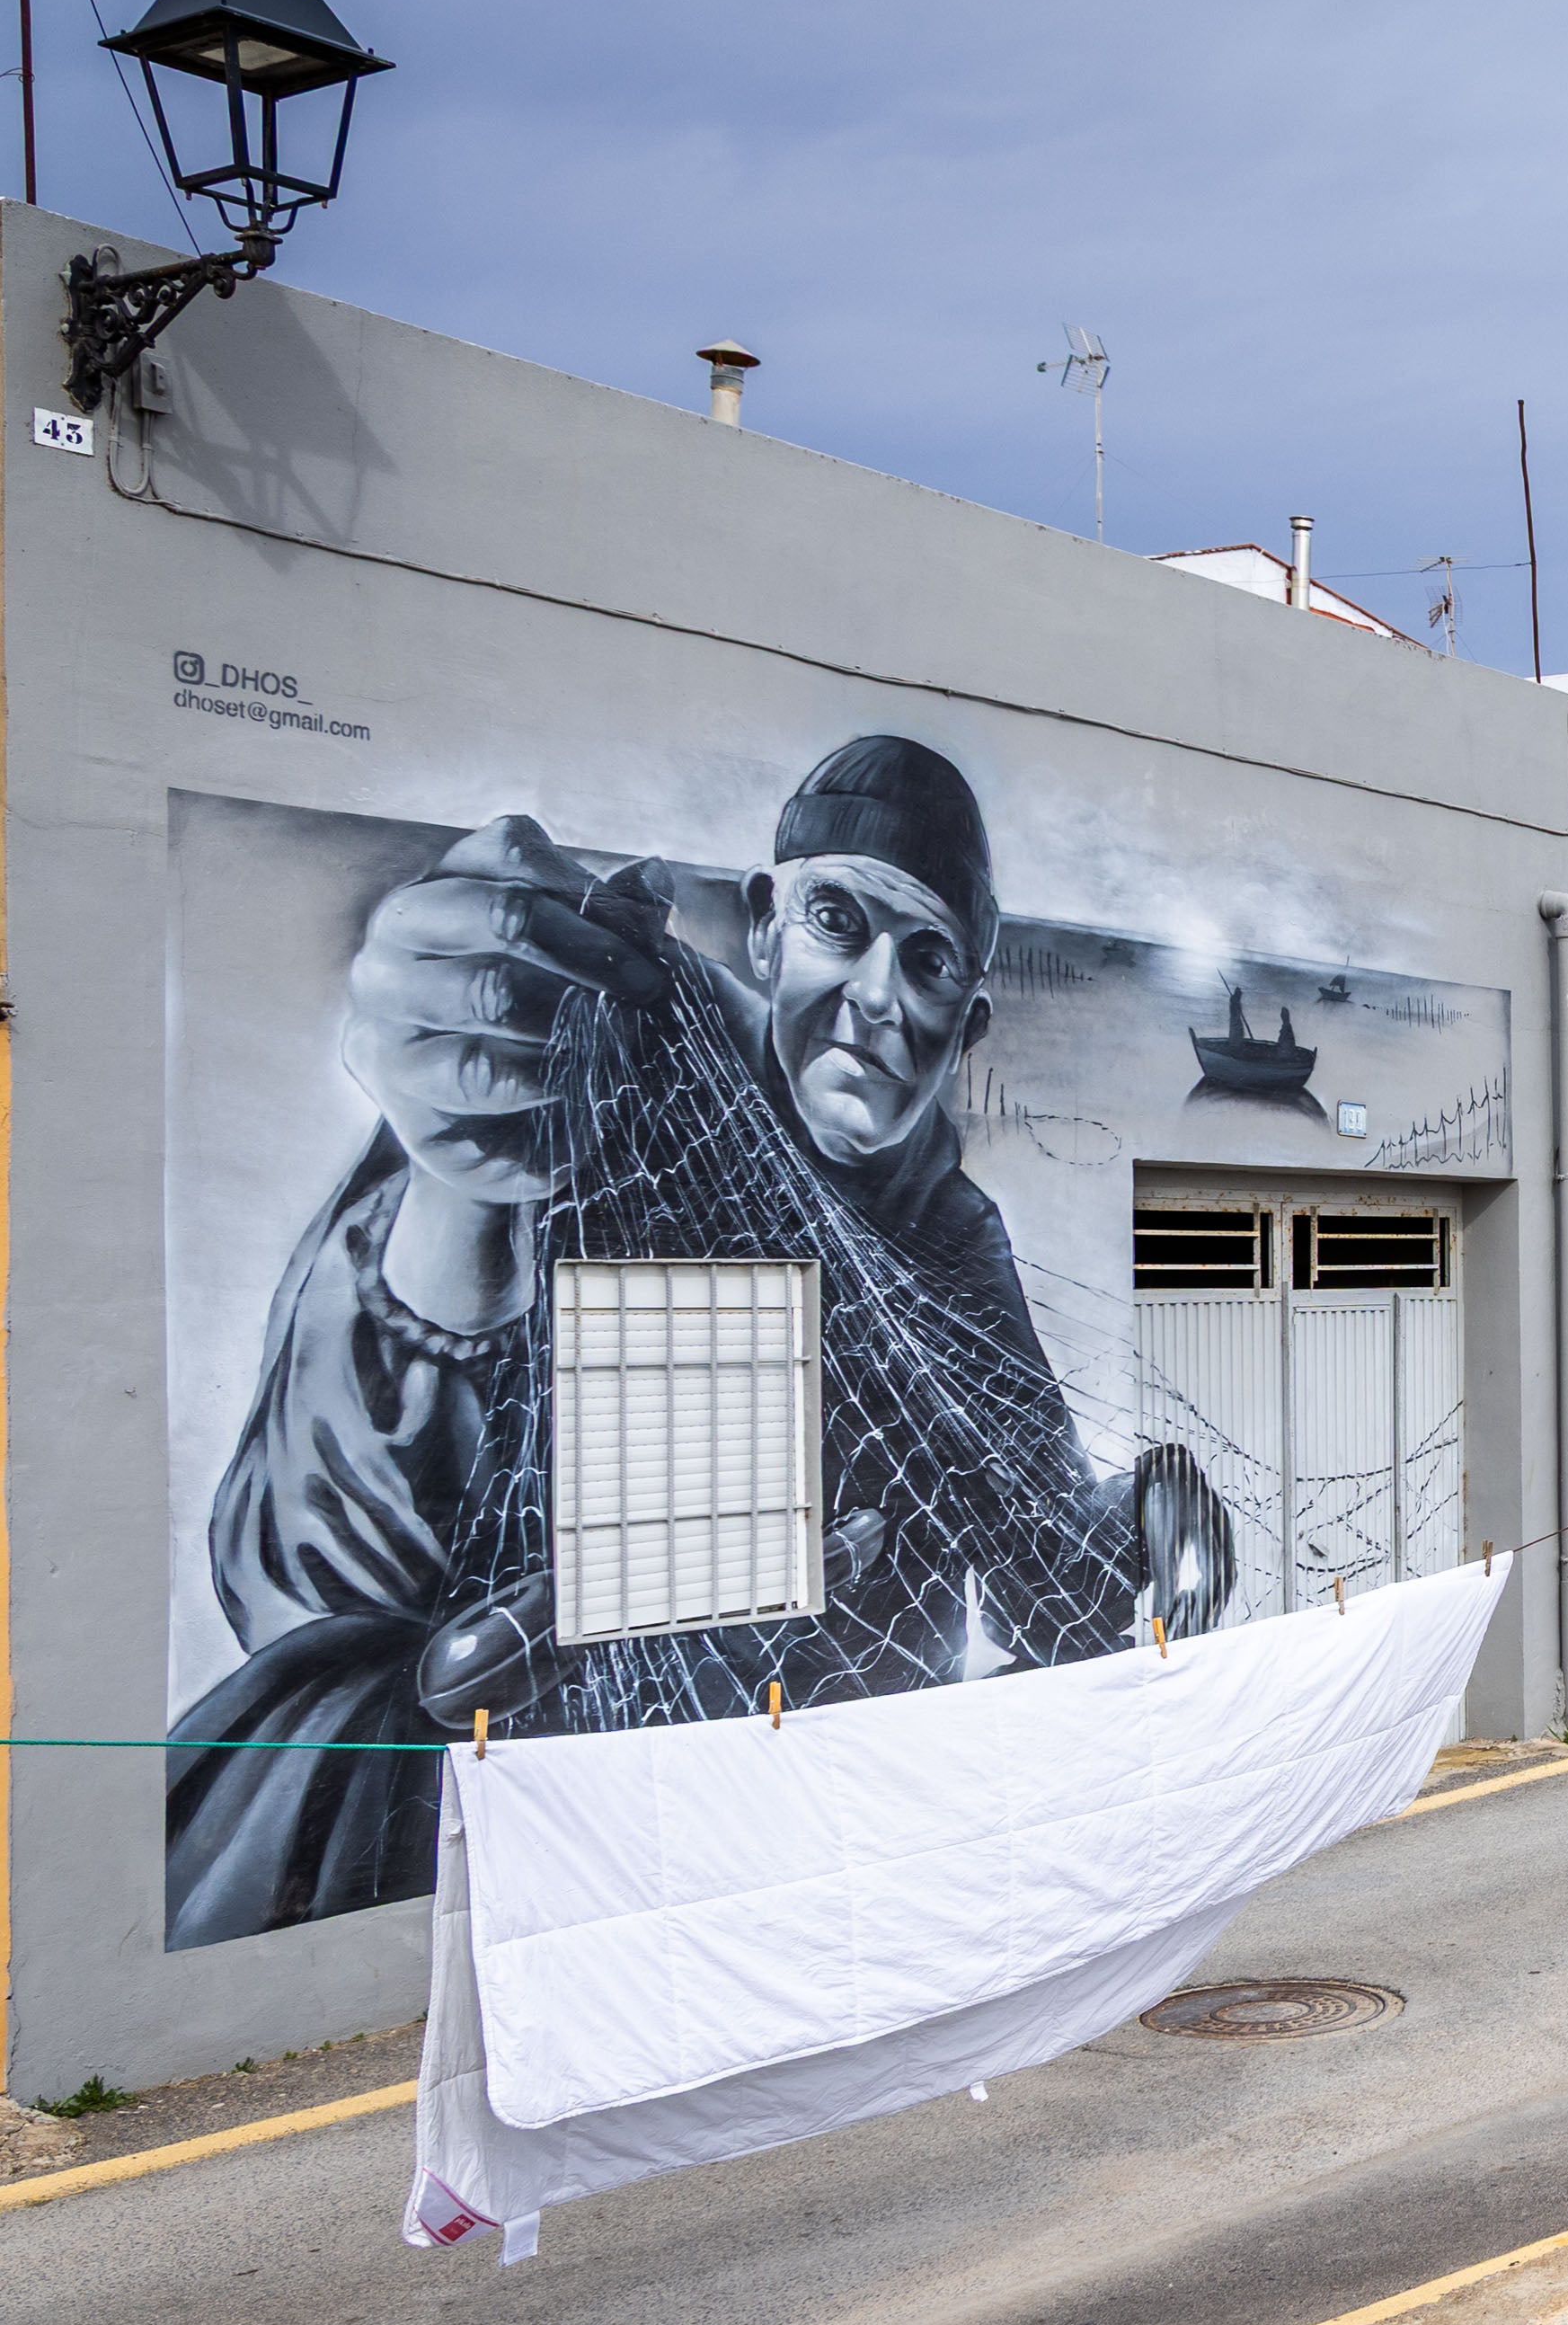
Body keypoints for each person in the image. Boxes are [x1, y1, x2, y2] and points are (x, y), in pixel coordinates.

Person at [169, 737, 1155, 1949]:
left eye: (930, 961)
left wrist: (1141, 1516)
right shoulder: (605, 1088)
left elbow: (1041, 1564)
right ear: (763, 924)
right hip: (590, 1860)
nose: (879, 999)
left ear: (970, 1017)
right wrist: (452, 1199)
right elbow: (320, 1583)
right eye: (840, 921)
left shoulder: (954, 1237)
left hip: (852, 1861)